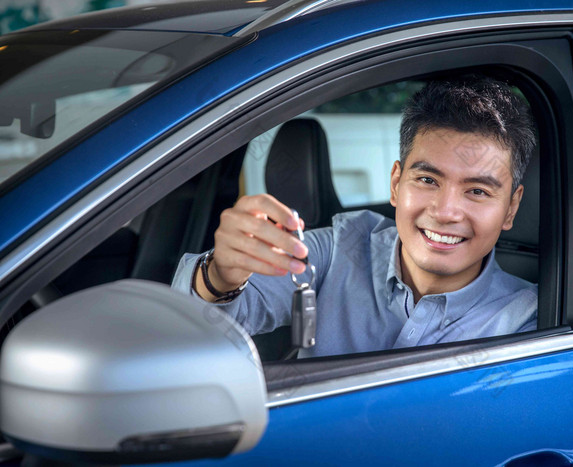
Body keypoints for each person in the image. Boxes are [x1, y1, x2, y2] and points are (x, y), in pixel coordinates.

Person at [172, 75, 538, 358]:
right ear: (396, 183)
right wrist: (220, 276)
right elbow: (186, 334)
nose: (444, 212)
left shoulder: (529, 321)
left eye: (477, 191)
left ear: (510, 208)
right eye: (427, 179)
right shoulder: (336, 250)